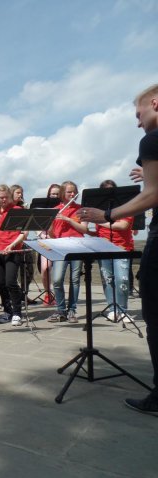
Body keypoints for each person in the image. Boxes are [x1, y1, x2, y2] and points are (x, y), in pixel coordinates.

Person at [80, 83, 158, 416]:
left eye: (138, 114)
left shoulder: (152, 139)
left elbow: (153, 195)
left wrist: (106, 214)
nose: (138, 123)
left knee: (154, 314)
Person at [92, 180, 134, 323]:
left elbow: (123, 225)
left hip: (122, 248)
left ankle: (123, 309)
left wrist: (98, 219)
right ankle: (112, 309)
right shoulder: (98, 208)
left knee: (122, 279)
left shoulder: (126, 207)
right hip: (102, 247)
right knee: (107, 280)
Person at [47, 181, 88, 324]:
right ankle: (60, 309)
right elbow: (53, 235)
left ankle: (72, 310)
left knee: (75, 279)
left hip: (77, 246)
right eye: (69, 192)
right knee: (57, 279)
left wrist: (68, 219)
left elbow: (84, 230)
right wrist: (50, 225)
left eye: (74, 191)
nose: (72, 194)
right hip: (60, 247)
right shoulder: (56, 210)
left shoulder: (81, 209)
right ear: (62, 194)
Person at [0, 184, 27, 326]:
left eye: (6, 197)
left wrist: (11, 245)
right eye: (1, 198)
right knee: (2, 284)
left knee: (10, 281)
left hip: (12, 251)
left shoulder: (17, 210)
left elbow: (24, 233)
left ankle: (17, 312)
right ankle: (8, 311)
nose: (4, 200)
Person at [39, 184, 61, 306]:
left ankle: (58, 295)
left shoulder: (62, 208)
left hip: (59, 241)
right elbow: (37, 224)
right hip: (45, 240)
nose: (55, 196)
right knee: (45, 268)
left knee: (58, 272)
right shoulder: (43, 208)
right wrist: (41, 235)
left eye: (57, 194)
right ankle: (48, 293)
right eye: (53, 194)